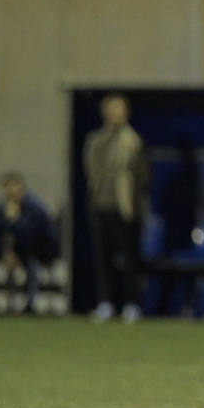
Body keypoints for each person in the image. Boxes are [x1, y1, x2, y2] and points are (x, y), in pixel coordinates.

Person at [83, 93, 147, 323]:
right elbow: (90, 169)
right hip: (100, 204)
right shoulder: (95, 140)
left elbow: (141, 176)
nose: (116, 114)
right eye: (112, 109)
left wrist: (132, 202)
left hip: (125, 208)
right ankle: (106, 303)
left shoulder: (132, 140)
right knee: (103, 259)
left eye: (120, 109)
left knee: (129, 258)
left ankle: (131, 305)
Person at [0, 172, 59, 314]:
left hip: (42, 250)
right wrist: (5, 252)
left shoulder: (35, 208)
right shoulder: (2, 208)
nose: (11, 191)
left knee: (31, 259)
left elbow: (31, 238)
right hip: (17, 250)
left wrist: (14, 222)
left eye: (14, 186)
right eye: (8, 187)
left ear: (21, 188)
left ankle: (30, 304)